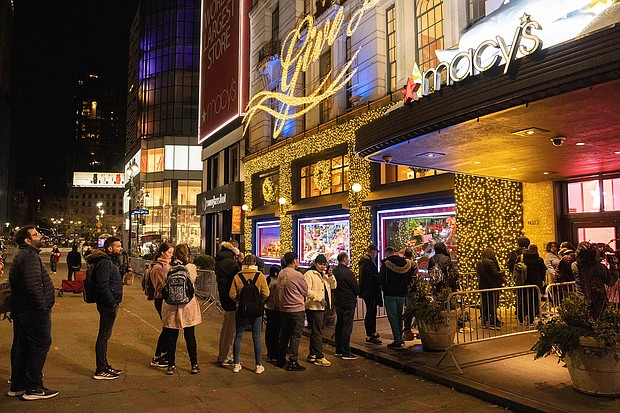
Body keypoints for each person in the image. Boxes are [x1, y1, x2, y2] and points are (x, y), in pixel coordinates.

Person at [8, 226, 58, 400]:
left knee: (24, 345)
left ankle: (18, 384)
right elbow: (33, 285)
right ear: (27, 240)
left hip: (23, 309)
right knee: (41, 343)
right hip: (32, 310)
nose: (40, 236)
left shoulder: (24, 254)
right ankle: (34, 387)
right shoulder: (29, 256)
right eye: (36, 234)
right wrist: (42, 306)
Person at [86, 237, 124, 380]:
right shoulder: (105, 262)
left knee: (105, 336)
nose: (121, 248)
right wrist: (111, 302)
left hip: (109, 303)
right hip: (107, 304)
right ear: (110, 249)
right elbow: (102, 285)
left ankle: (104, 365)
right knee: (103, 336)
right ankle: (100, 369)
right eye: (118, 246)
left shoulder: (109, 261)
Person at [162, 244, 202, 375]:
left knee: (171, 336)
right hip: (188, 305)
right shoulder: (191, 267)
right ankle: (194, 364)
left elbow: (164, 285)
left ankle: (171, 365)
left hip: (171, 305)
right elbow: (192, 283)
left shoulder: (168, 267)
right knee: (190, 336)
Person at [230, 254, 270, 374]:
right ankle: (258, 365)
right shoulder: (260, 276)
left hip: (242, 309)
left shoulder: (238, 276)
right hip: (257, 310)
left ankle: (236, 364)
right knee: (256, 336)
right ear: (254, 263)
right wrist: (258, 302)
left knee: (239, 335)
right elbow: (266, 293)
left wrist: (240, 301)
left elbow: (231, 294)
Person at [277, 251, 308, 371]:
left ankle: (281, 358)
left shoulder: (281, 273)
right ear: (294, 260)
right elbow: (305, 291)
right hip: (296, 308)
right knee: (295, 335)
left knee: (285, 334)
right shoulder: (297, 275)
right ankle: (293, 361)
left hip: (284, 308)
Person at [304, 254, 337, 367]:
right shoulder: (309, 274)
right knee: (317, 331)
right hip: (314, 307)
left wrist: (331, 276)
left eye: (324, 264)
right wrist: (319, 298)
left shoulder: (325, 275)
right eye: (320, 264)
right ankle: (319, 356)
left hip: (323, 307)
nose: (322, 266)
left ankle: (312, 354)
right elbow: (306, 290)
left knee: (316, 331)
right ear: (315, 263)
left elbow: (334, 286)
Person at [572, 242, 619, 320]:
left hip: (582, 298)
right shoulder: (598, 267)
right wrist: (613, 265)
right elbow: (611, 280)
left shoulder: (574, 266)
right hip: (598, 298)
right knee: (600, 321)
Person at [379, 246, 412, 349]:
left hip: (390, 293)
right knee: (399, 316)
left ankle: (397, 340)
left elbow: (381, 279)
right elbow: (409, 278)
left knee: (393, 317)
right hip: (402, 293)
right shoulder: (405, 263)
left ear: (387, 253)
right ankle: (400, 338)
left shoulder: (386, 264)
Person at [215, 240, 242, 367]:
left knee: (226, 327)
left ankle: (222, 354)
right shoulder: (230, 263)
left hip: (225, 298)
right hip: (231, 299)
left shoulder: (221, 260)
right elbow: (239, 278)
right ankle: (227, 356)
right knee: (230, 329)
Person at [149, 242, 173, 368]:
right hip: (161, 299)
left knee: (168, 327)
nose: (171, 255)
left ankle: (164, 354)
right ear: (162, 252)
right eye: (169, 252)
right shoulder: (158, 268)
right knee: (167, 327)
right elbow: (159, 287)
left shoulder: (167, 266)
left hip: (167, 299)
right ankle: (158, 355)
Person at [333, 252, 360, 359]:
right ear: (344, 259)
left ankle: (338, 349)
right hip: (348, 301)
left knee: (339, 325)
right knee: (347, 327)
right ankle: (346, 351)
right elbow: (355, 287)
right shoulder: (348, 272)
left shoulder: (335, 271)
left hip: (339, 301)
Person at [359, 244, 382, 344]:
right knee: (371, 313)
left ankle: (372, 332)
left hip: (366, 291)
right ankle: (370, 334)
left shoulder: (364, 262)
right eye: (376, 252)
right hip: (371, 292)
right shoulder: (369, 263)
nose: (376, 254)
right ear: (372, 251)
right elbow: (372, 278)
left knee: (370, 312)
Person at [476, 247, 504, 329]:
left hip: (483, 286)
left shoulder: (479, 262)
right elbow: (496, 273)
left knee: (484, 303)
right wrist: (502, 272)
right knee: (493, 304)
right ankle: (493, 322)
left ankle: (484, 321)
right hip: (492, 286)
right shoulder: (491, 262)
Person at [519, 244, 547, 326]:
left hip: (524, 282)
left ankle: (521, 317)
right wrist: (542, 280)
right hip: (535, 283)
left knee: (524, 299)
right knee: (534, 301)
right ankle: (531, 320)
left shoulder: (522, 258)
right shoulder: (539, 260)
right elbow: (543, 271)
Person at [264, 264, 281, 363]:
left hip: (269, 309)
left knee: (271, 331)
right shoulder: (274, 283)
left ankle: (271, 352)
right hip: (274, 309)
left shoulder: (268, 281)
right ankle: (273, 352)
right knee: (274, 331)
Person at [402, 249, 419, 341]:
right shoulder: (413, 264)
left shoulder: (402, 263)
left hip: (403, 290)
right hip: (412, 290)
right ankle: (410, 329)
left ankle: (406, 330)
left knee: (406, 310)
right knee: (411, 309)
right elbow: (415, 276)